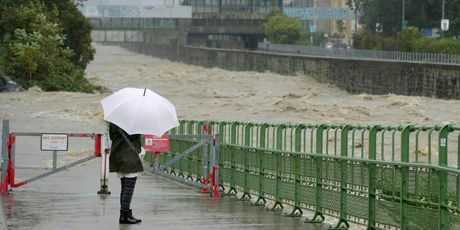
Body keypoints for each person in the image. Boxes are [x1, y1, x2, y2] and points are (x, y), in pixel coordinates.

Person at [109, 122, 145, 224]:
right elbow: (135, 136)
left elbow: (112, 136)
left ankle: (125, 214)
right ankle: (125, 216)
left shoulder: (114, 122)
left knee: (124, 188)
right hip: (129, 157)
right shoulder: (134, 122)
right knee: (128, 189)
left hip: (118, 157)